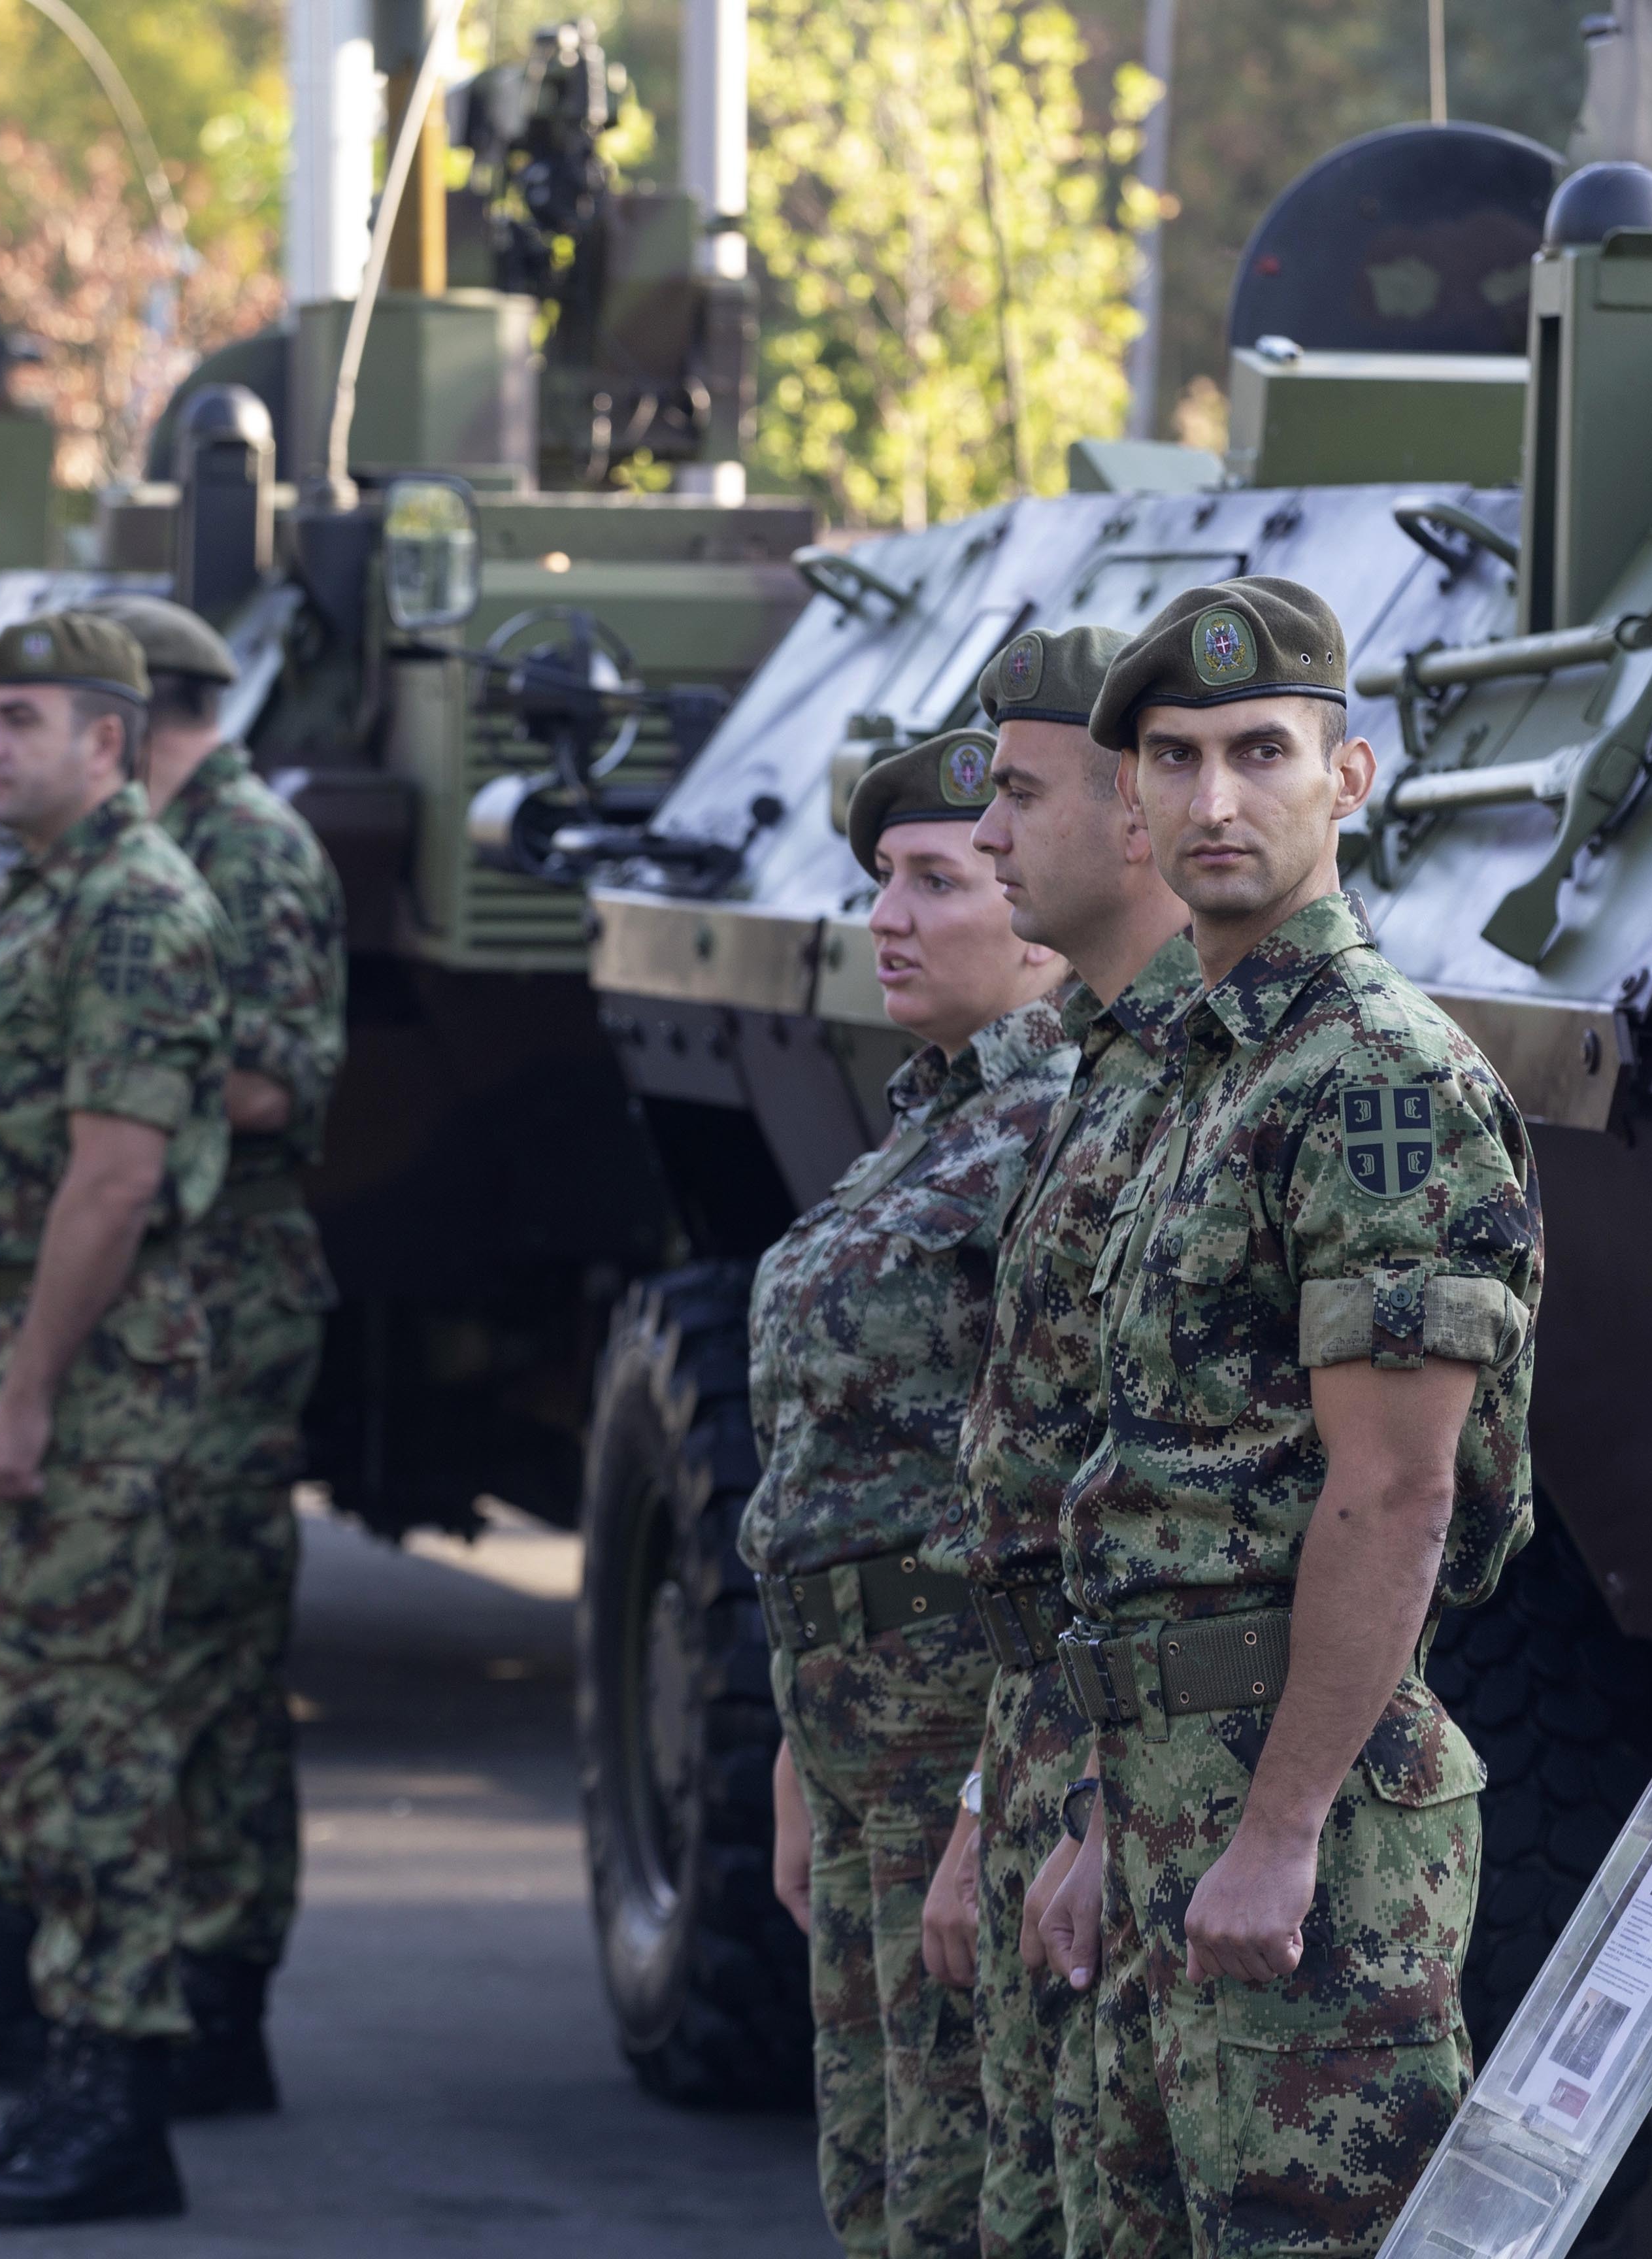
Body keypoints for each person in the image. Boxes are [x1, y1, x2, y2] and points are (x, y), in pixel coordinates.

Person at [1039, 578, 1541, 2259]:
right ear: (1128, 800)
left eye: (1259, 750)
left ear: (1349, 777)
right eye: (1170, 758)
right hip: (1160, 1783)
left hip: (1300, 1813)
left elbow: (1393, 1494)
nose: (1210, 798)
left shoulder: (1374, 1075)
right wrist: (1115, 1818)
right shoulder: (1190, 1068)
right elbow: (1154, 1489)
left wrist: (1275, 1830)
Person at [0, 611, 228, 2228]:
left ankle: (120, 2090)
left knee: (92, 1736)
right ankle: (68, 2058)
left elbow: (115, 1175)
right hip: (24, 1363)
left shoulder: (140, 909)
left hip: (90, 1384)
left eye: (19, 719)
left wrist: (22, 1390)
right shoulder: (51, 898)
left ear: (109, 739)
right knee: (27, 1727)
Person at [750, 728, 1073, 2259]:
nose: (884, 913)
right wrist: (790, 1743)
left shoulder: (1058, 1128)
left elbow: (1068, 1498)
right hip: (857, 1728)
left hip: (964, 1732)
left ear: (1030, 912)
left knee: (963, 2191)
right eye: (880, 877)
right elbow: (836, 1463)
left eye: (934, 879)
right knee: (876, 2179)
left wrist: (981, 1806)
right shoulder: (935, 1116)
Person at [923, 624, 1187, 2259]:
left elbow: (1245, 1503)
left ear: (1133, 820)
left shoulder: (1209, 1080)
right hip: (1045, 1755)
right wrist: (987, 1799)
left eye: (1016, 794)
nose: (991, 832)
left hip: (1150, 1783)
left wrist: (1095, 1812)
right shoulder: (1092, 1071)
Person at [90, 590, 343, 2118]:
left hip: (227, 1292)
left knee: (214, 1652)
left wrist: (103, 1103)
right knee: (155, 1642)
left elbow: (273, 1078)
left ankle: (220, 1981)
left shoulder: (253, 853)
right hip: (162, 1288)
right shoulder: (165, 849)